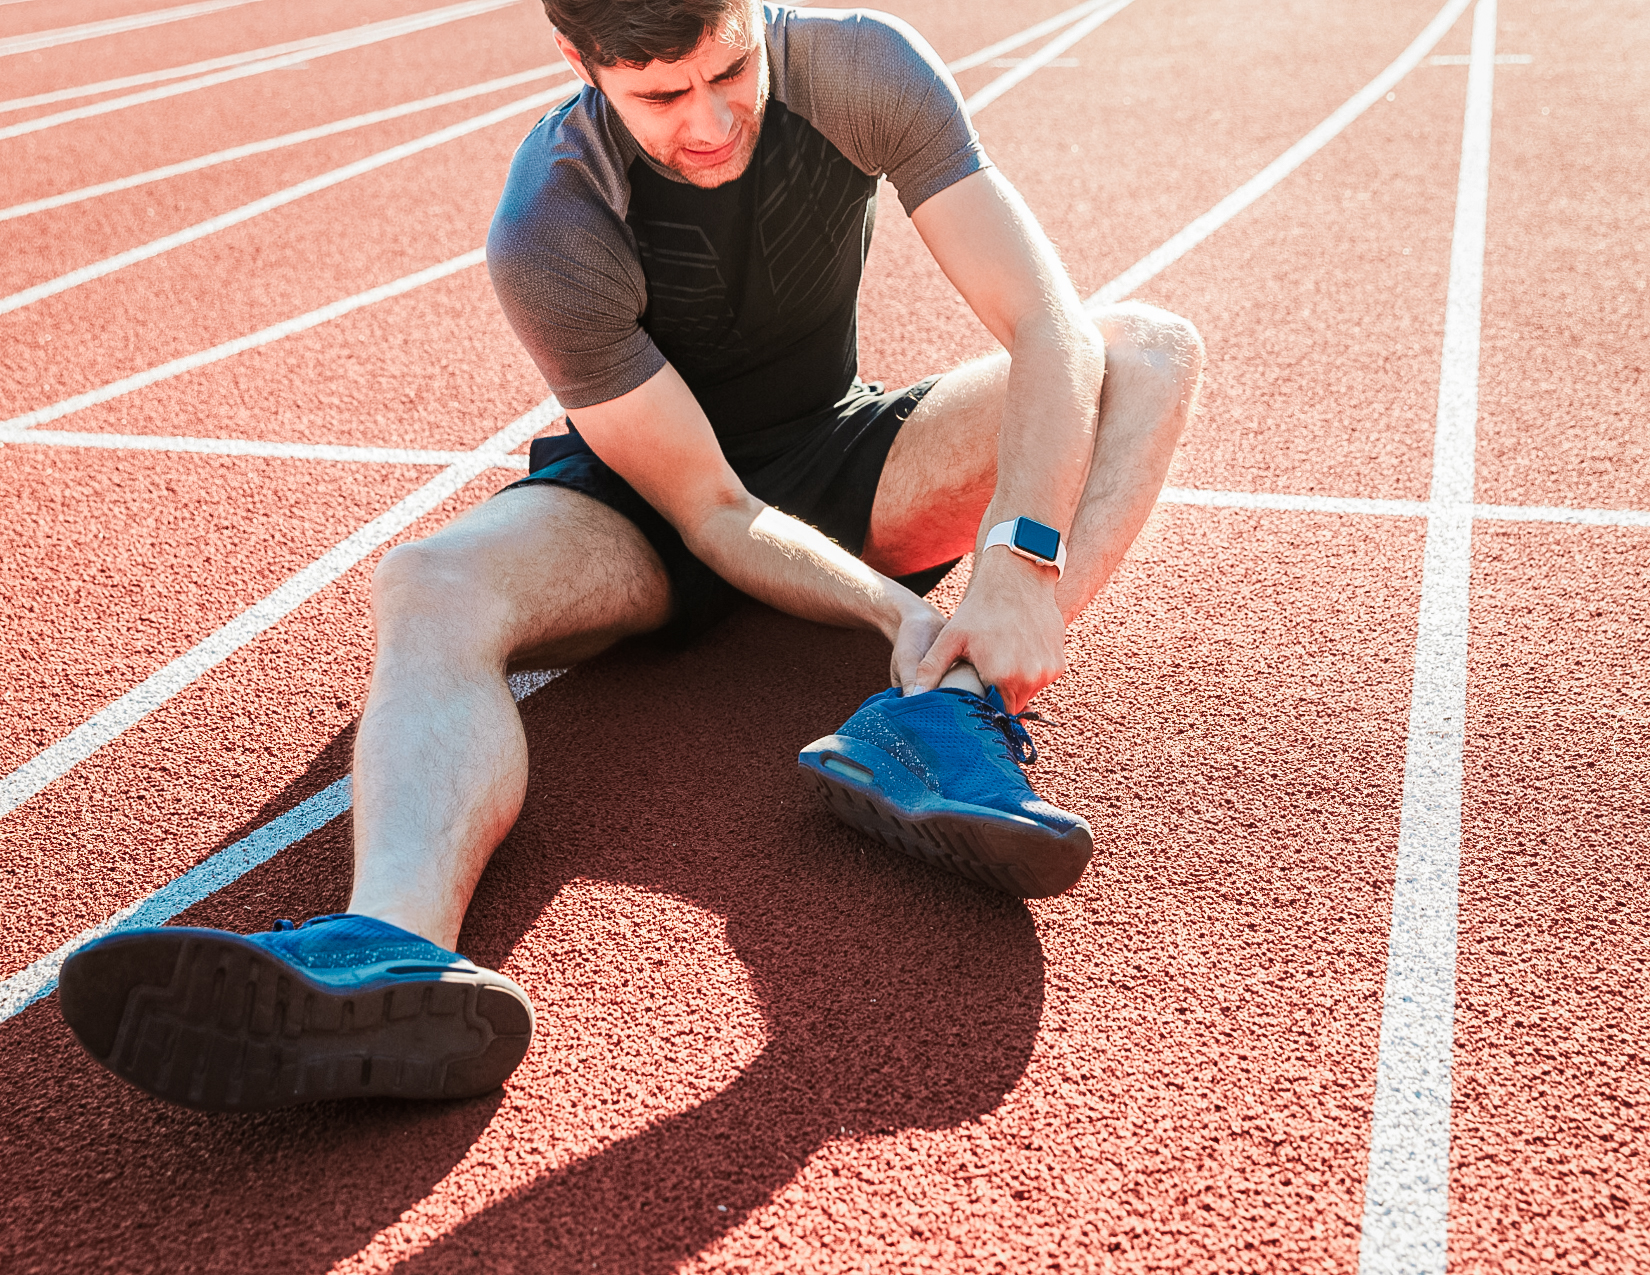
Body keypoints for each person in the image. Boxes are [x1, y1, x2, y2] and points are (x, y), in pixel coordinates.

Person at [59, 0, 1204, 1112]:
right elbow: (709, 511)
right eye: (660, 95)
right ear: (580, 58)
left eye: (728, 71)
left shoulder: (860, 69)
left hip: (843, 454)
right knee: (431, 580)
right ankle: (391, 950)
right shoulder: (550, 224)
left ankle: (945, 718)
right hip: (646, 506)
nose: (706, 123)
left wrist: (1023, 557)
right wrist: (889, 612)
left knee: (1145, 349)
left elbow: (1045, 319)